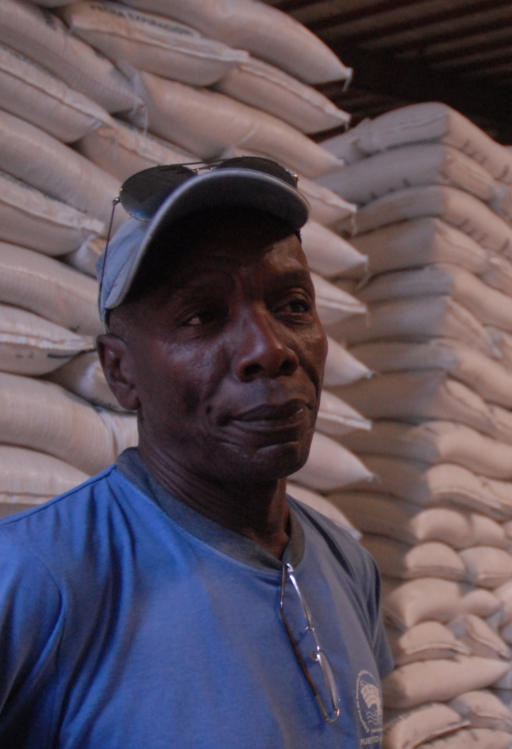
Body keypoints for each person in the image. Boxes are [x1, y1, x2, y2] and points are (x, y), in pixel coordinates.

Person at [0, 158, 393, 747]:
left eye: (293, 305)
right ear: (120, 370)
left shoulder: (347, 566)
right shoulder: (37, 579)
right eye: (202, 316)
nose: (269, 348)